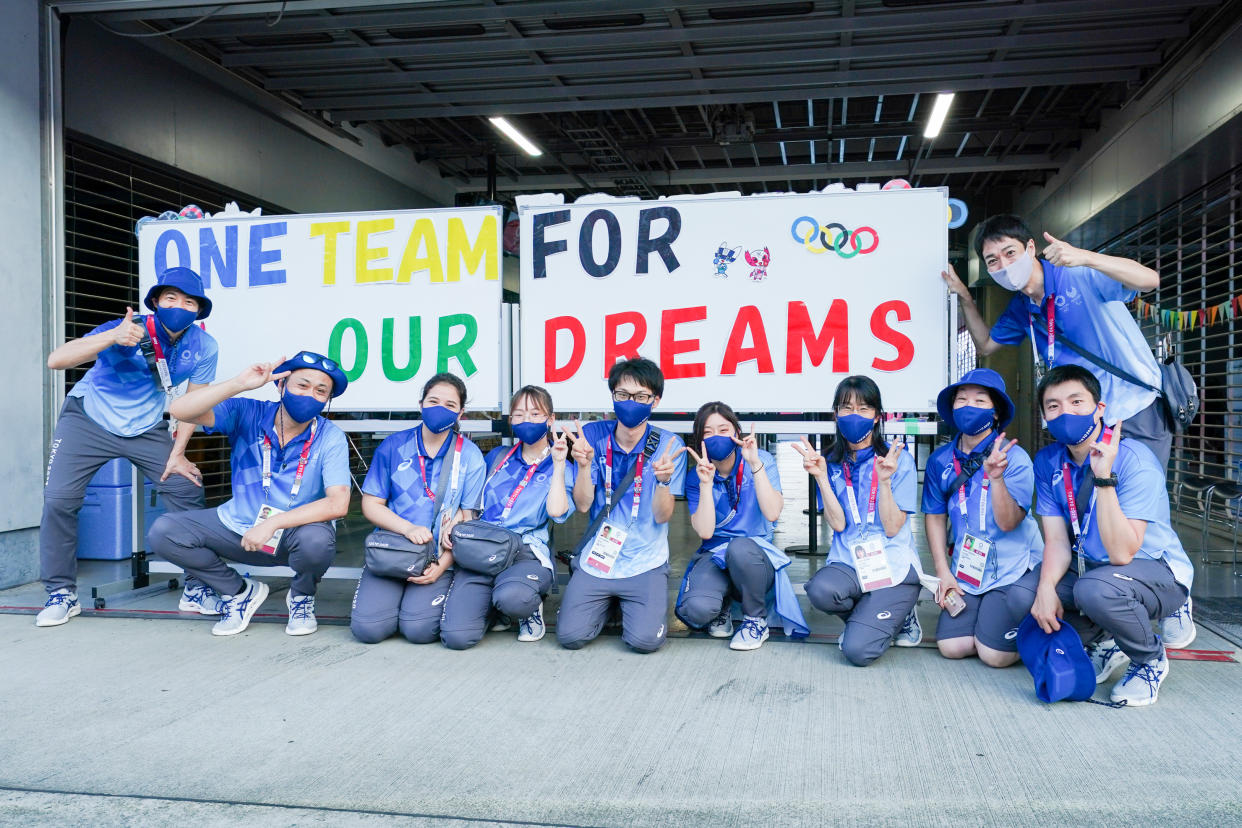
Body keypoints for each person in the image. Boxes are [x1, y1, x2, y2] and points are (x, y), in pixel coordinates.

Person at [37, 267, 218, 627]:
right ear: (154, 302)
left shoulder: (203, 346)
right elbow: (56, 360)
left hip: (146, 426)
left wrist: (179, 453)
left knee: (186, 487)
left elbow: (194, 405)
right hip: (87, 419)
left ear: (198, 310)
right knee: (59, 500)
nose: (179, 306)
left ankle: (199, 586)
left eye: (189, 301)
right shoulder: (126, 329)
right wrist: (111, 337)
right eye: (171, 298)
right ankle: (61, 593)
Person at [1007, 365, 1195, 706]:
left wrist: (1104, 478)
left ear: (1100, 409)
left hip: (1152, 569)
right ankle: (1106, 640)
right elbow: (1058, 541)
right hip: (1092, 565)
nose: (1066, 412)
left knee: (1093, 589)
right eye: (1054, 406)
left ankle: (1149, 658)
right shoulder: (1049, 462)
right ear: (1045, 416)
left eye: (1077, 401)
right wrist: (1046, 589)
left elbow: (1123, 552)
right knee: (1024, 595)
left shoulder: (1134, 459)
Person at [148, 351, 351, 636]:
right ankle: (239, 592)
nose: (310, 395)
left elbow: (338, 503)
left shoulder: (330, 436)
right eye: (302, 385)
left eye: (321, 391)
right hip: (236, 529)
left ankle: (302, 597)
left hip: (292, 536)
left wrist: (273, 523)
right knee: (165, 531)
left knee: (317, 540)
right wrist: (238, 384)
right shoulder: (247, 412)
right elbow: (181, 410)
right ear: (281, 385)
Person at [941, 214, 1170, 467]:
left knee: (1138, 499)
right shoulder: (1021, 308)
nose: (1004, 265)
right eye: (992, 261)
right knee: (1095, 502)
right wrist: (964, 296)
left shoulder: (1077, 273)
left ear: (1030, 248)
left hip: (1133, 407)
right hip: (1082, 418)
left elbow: (1150, 280)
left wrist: (1087, 257)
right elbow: (986, 345)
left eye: (1010, 252)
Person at [557, 357, 686, 654]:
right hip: (598, 560)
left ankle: (624, 603)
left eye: (641, 396)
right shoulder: (592, 436)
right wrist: (585, 466)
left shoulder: (669, 445)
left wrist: (664, 482)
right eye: (623, 394)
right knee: (570, 637)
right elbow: (583, 505)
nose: (631, 402)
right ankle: (611, 603)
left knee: (644, 641)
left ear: (655, 401)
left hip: (645, 561)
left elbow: (662, 515)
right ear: (613, 395)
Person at [350, 373, 486, 645]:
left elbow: (468, 517)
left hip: (436, 558)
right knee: (368, 629)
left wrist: (443, 564)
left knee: (419, 631)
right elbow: (371, 503)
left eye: (450, 405)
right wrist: (408, 528)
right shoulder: (393, 446)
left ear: (461, 412)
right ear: (421, 404)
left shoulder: (469, 455)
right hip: (393, 552)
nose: (440, 409)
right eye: (433, 401)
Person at [921, 369, 1043, 667]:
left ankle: (1032, 624)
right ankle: (988, 620)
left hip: (1011, 568)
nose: (968, 406)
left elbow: (1009, 523)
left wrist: (996, 479)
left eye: (979, 400)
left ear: (996, 413)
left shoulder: (1014, 458)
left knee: (994, 656)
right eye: (961, 400)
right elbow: (935, 516)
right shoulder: (940, 460)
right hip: (967, 570)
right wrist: (943, 572)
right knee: (952, 646)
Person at [798, 375, 922, 666]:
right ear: (836, 415)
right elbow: (838, 525)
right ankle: (879, 617)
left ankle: (900, 613)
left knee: (857, 651)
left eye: (864, 409)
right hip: (850, 561)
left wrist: (885, 483)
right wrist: (821, 478)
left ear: (877, 416)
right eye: (847, 408)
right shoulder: (828, 461)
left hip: (892, 563)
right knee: (820, 591)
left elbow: (893, 527)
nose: (855, 416)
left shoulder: (896, 459)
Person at [438, 386, 575, 649]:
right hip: (484, 548)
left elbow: (557, 513)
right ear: (511, 420)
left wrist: (559, 464)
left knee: (514, 598)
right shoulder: (497, 457)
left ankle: (525, 609)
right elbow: (471, 504)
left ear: (550, 419)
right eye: (519, 414)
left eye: (536, 414)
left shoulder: (561, 465)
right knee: (456, 636)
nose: (527, 420)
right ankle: (494, 609)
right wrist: (455, 522)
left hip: (525, 552)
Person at [674, 402, 807, 651]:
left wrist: (755, 464)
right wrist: (705, 483)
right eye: (708, 432)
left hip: (753, 555)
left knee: (739, 548)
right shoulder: (695, 476)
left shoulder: (761, 460)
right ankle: (720, 604)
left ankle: (755, 620)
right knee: (697, 609)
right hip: (714, 555)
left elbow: (772, 511)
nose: (716, 437)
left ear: (736, 432)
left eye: (723, 430)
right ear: (699, 439)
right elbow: (705, 532)